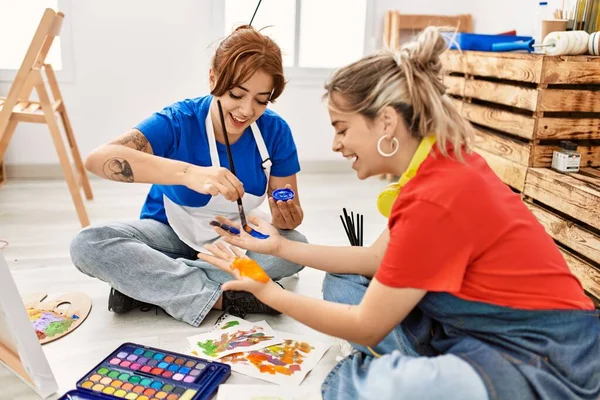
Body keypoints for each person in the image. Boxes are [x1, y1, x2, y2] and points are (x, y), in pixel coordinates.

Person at [198, 27, 600, 400]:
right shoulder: (435, 168)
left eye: (342, 128)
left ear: (386, 122)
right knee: (344, 282)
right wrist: (279, 246)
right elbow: (376, 259)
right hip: (474, 331)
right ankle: (418, 362)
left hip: (546, 355)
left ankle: (399, 368)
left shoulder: (437, 197)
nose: (336, 145)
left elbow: (366, 326)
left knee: (363, 385)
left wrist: (266, 290)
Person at [69, 25, 308, 328]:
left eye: (262, 100)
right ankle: (224, 296)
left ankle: (150, 286)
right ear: (213, 78)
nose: (247, 110)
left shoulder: (275, 131)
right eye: (237, 94)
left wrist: (287, 218)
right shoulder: (180, 120)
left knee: (294, 249)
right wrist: (188, 173)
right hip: (167, 235)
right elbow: (97, 159)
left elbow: (288, 220)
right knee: (88, 243)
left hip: (236, 240)